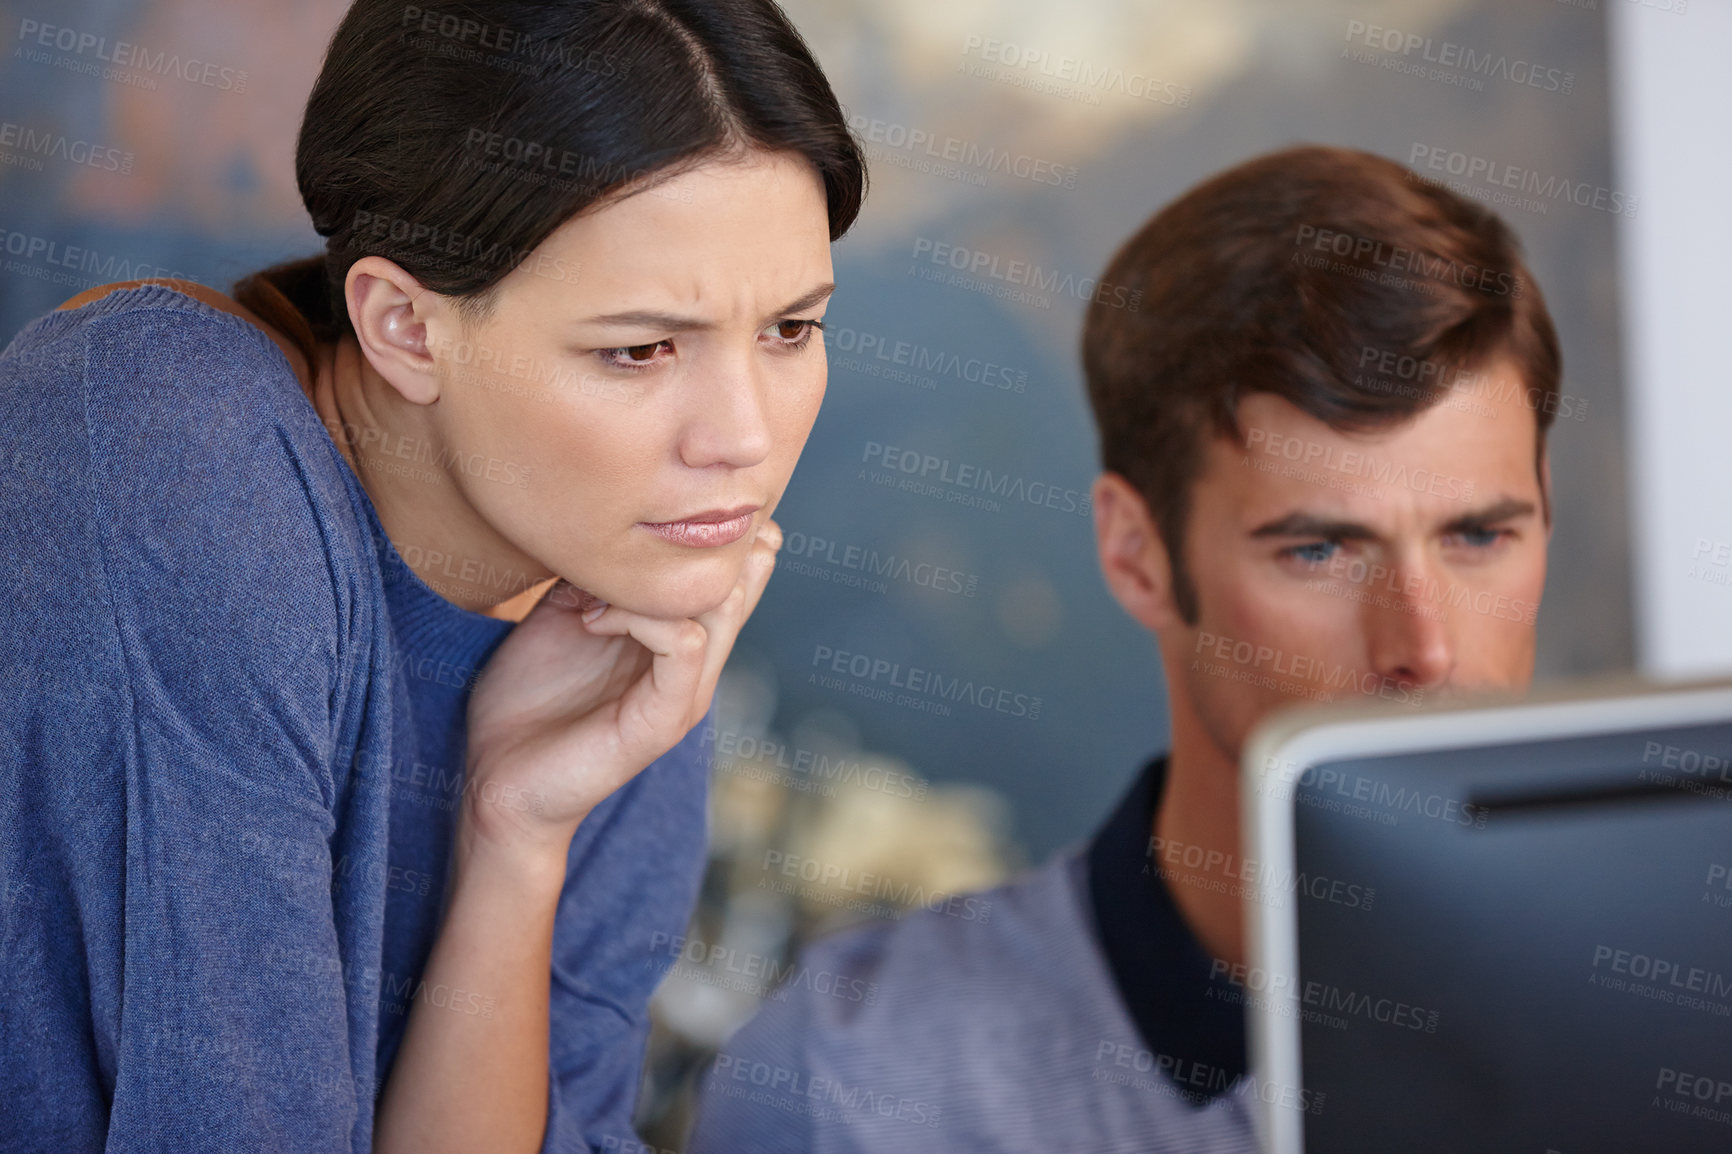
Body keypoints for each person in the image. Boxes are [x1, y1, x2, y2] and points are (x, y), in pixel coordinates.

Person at [0, 2, 864, 1151]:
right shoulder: (163, 424)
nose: (743, 438)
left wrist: (516, 836)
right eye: (640, 348)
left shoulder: (630, 641)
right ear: (404, 324)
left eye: (792, 329)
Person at [685, 144, 1561, 1153]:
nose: (1426, 645)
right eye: (1319, 548)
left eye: (1480, 535)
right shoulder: (855, 1081)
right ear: (1134, 553)